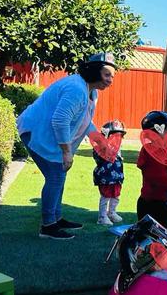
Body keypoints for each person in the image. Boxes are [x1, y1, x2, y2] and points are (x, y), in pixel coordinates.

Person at [17, 52, 116, 240]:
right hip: (35, 131)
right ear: (94, 72)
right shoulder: (77, 89)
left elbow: (85, 121)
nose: (110, 80)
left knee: (59, 176)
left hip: (47, 134)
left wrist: (101, 142)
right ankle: (48, 226)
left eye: (112, 76)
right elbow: (60, 120)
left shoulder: (91, 92)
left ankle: (56, 218)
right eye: (106, 75)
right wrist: (66, 152)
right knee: (55, 177)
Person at [92, 119, 126, 226]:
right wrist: (104, 146)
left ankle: (111, 212)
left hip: (116, 177)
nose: (118, 138)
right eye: (115, 136)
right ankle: (102, 217)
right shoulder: (100, 148)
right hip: (105, 177)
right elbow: (98, 158)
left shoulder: (117, 148)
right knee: (105, 196)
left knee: (116, 195)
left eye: (120, 136)